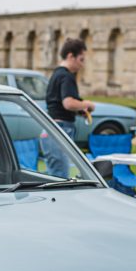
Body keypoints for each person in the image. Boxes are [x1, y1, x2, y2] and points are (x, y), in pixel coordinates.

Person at [44, 38, 95, 177]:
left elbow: (60, 103)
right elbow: (68, 103)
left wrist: (80, 110)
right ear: (70, 56)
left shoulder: (56, 74)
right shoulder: (66, 76)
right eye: (81, 59)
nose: (82, 65)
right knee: (60, 177)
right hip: (60, 129)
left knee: (55, 175)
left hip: (52, 129)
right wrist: (88, 104)